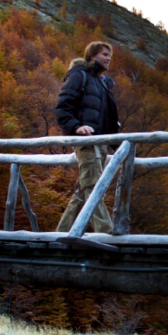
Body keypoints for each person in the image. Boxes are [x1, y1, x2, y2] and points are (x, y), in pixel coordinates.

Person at [55, 41, 120, 234]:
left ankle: (61, 232)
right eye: (105, 54)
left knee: (83, 190)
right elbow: (62, 106)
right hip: (86, 141)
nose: (109, 58)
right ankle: (106, 232)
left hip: (99, 143)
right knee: (93, 186)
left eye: (110, 56)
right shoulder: (79, 75)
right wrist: (76, 127)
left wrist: (114, 143)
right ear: (92, 56)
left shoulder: (101, 83)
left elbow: (107, 117)